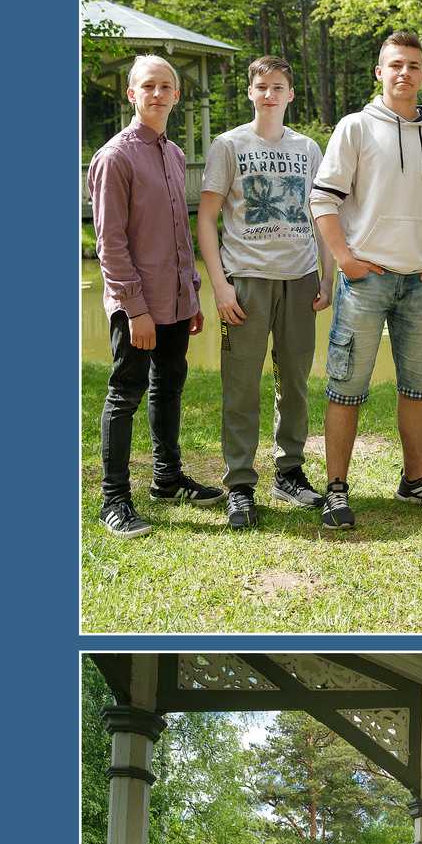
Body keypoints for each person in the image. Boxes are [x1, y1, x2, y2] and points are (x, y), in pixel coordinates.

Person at [309, 31, 422, 529]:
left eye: (414, 66)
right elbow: (323, 200)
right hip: (366, 281)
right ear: (379, 72)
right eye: (395, 64)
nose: (404, 73)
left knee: (420, 385)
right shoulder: (355, 128)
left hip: (421, 282)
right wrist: (345, 260)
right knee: (346, 386)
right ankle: (336, 489)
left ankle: (415, 480)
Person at [195, 55, 330, 529]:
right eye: (261, 86)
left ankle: (289, 473)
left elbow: (321, 215)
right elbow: (207, 219)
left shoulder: (309, 148)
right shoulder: (229, 145)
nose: (270, 93)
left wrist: (327, 274)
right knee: (242, 384)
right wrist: (219, 285)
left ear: (291, 95)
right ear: (250, 93)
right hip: (246, 280)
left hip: (300, 278)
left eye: (278, 86)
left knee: (294, 381)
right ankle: (240, 484)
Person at [92, 54, 214, 537]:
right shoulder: (115, 156)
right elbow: (111, 244)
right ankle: (114, 500)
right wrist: (135, 309)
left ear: (177, 95)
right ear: (132, 94)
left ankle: (166, 478)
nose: (158, 93)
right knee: (125, 395)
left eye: (166, 86)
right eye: (149, 86)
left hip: (177, 301)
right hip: (136, 305)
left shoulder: (174, 153)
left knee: (169, 388)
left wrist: (192, 296)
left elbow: (179, 234)